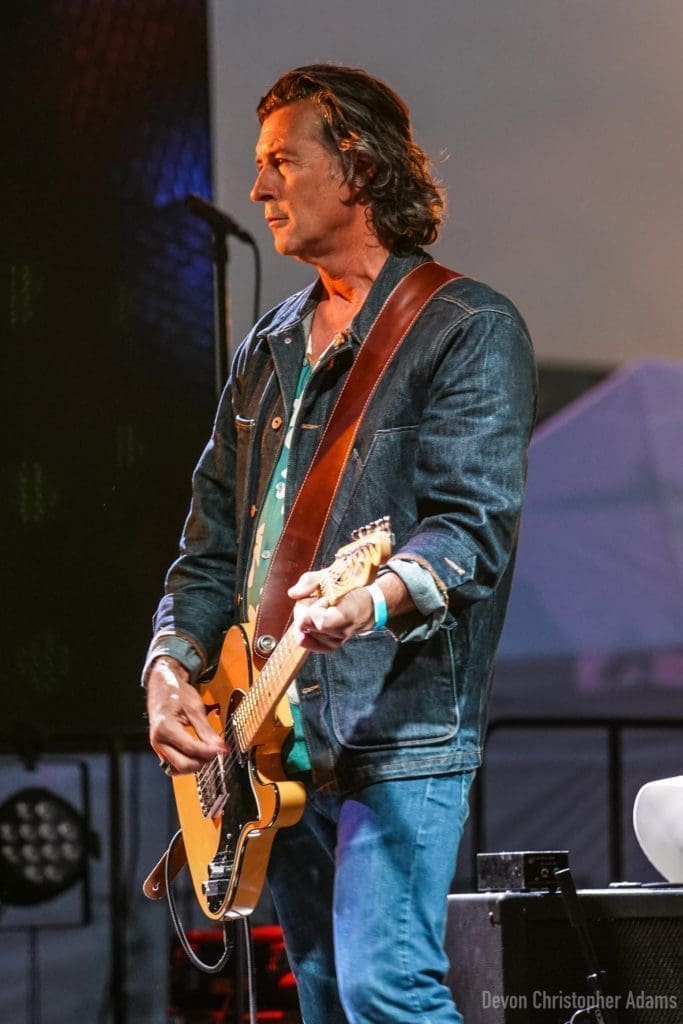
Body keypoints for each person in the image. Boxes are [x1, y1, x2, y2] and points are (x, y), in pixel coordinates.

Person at [144, 64, 536, 1024]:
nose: (257, 187)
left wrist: (369, 596)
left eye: (281, 160)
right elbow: (207, 546)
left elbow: (470, 528)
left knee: (385, 989)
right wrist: (168, 664)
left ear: (356, 165)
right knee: (320, 997)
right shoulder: (269, 347)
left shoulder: (466, 327)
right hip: (266, 733)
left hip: (394, 727)